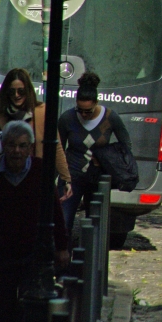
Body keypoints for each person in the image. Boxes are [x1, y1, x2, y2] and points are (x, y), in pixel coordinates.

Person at [0, 120, 69, 322]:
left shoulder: (41, 170)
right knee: (2, 316)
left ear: (30, 148)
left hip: (31, 254)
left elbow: (55, 211)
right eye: (11, 145)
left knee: (28, 315)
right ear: (3, 146)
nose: (16, 151)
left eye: (22, 146)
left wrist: (62, 247)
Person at [58, 72, 132, 232]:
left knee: (95, 226)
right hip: (73, 176)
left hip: (97, 178)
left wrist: (106, 158)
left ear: (96, 103)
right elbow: (59, 150)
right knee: (63, 222)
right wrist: (62, 178)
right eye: (80, 110)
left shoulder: (110, 118)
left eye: (88, 111)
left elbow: (125, 145)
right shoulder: (67, 119)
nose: (84, 115)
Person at [0, 68, 72, 190]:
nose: (16, 95)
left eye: (21, 91)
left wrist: (66, 179)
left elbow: (56, 147)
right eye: (12, 91)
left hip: (36, 175)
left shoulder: (42, 111)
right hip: (7, 175)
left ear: (28, 90)